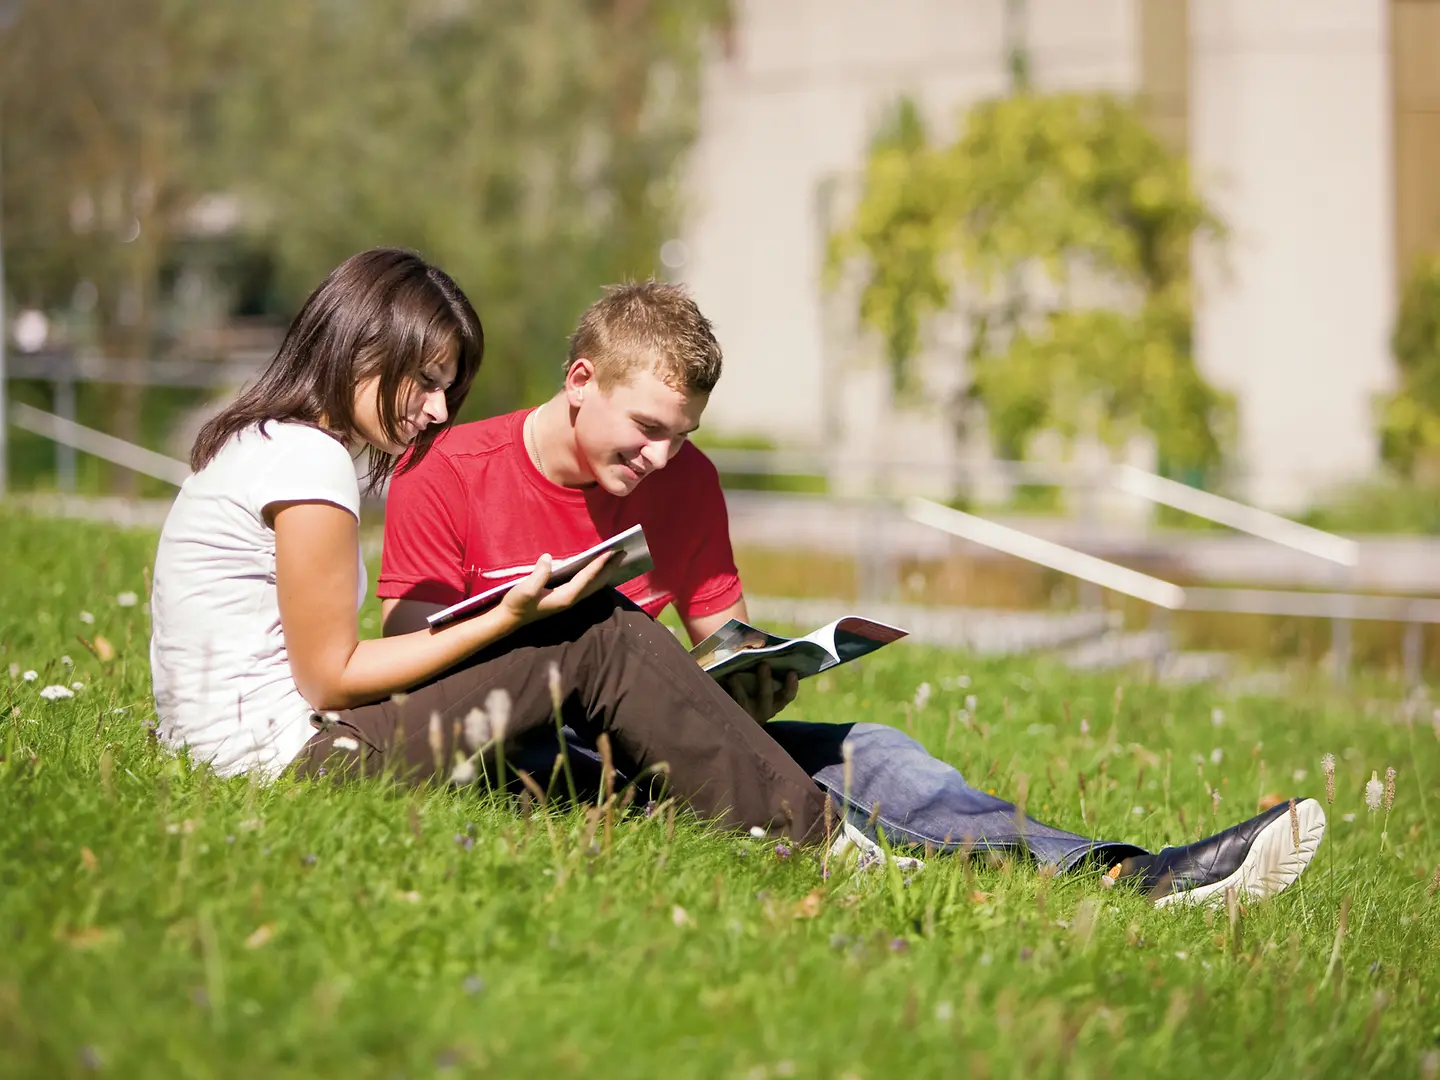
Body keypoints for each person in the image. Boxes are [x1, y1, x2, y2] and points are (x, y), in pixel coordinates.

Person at [377, 281, 1326, 906]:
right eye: (647, 427)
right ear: (580, 381)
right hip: (534, 752)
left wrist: (759, 672)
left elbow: (718, 633)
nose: (661, 457)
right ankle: (967, 876)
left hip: (659, 735)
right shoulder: (449, 468)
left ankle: (1120, 870)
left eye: (683, 433)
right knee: (794, 787)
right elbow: (411, 659)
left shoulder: (686, 481)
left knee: (871, 747)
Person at [148, 248, 836, 843]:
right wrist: (509, 618)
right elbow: (329, 675)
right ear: (361, 348)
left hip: (251, 754)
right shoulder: (308, 462)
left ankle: (773, 810)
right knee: (598, 632)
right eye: (427, 380)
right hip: (295, 761)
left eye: (447, 387)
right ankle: (816, 839)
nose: (439, 410)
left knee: (590, 708)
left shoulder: (263, 443)